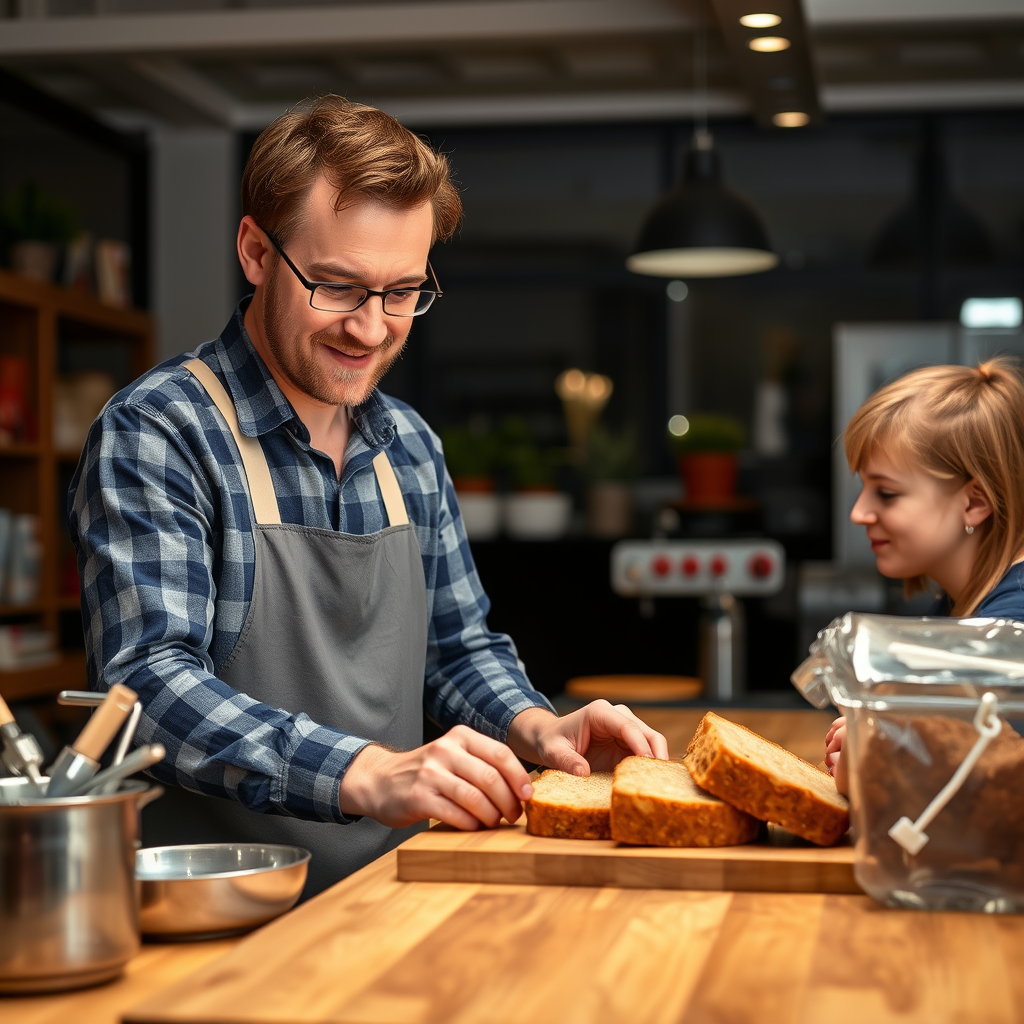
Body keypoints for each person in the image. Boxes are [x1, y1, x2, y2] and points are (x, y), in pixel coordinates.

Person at [68, 95, 668, 897]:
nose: (372, 329)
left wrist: (539, 727)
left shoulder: (410, 446)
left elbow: (455, 650)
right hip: (214, 913)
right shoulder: (160, 432)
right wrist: (367, 772)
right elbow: (143, 688)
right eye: (337, 287)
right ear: (255, 252)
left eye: (402, 292)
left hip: (388, 897)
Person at [824, 357, 1024, 795]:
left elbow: (993, 785)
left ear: (974, 503)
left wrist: (881, 762)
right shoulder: (957, 606)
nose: (859, 513)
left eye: (886, 493)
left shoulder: (1012, 630)